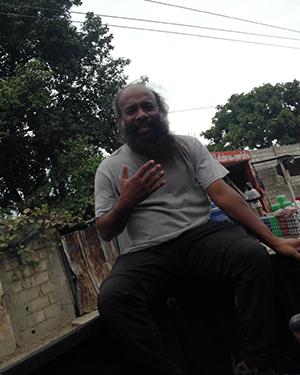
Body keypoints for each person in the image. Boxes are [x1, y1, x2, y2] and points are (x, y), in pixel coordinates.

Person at [94, 83, 300, 375]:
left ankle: (255, 361)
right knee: (113, 298)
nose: (141, 115)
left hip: (200, 235)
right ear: (121, 120)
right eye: (131, 111)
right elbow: (105, 230)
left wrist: (274, 241)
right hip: (146, 251)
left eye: (147, 107)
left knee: (251, 256)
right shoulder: (110, 168)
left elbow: (224, 194)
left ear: (160, 112)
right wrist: (127, 200)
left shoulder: (188, 147)